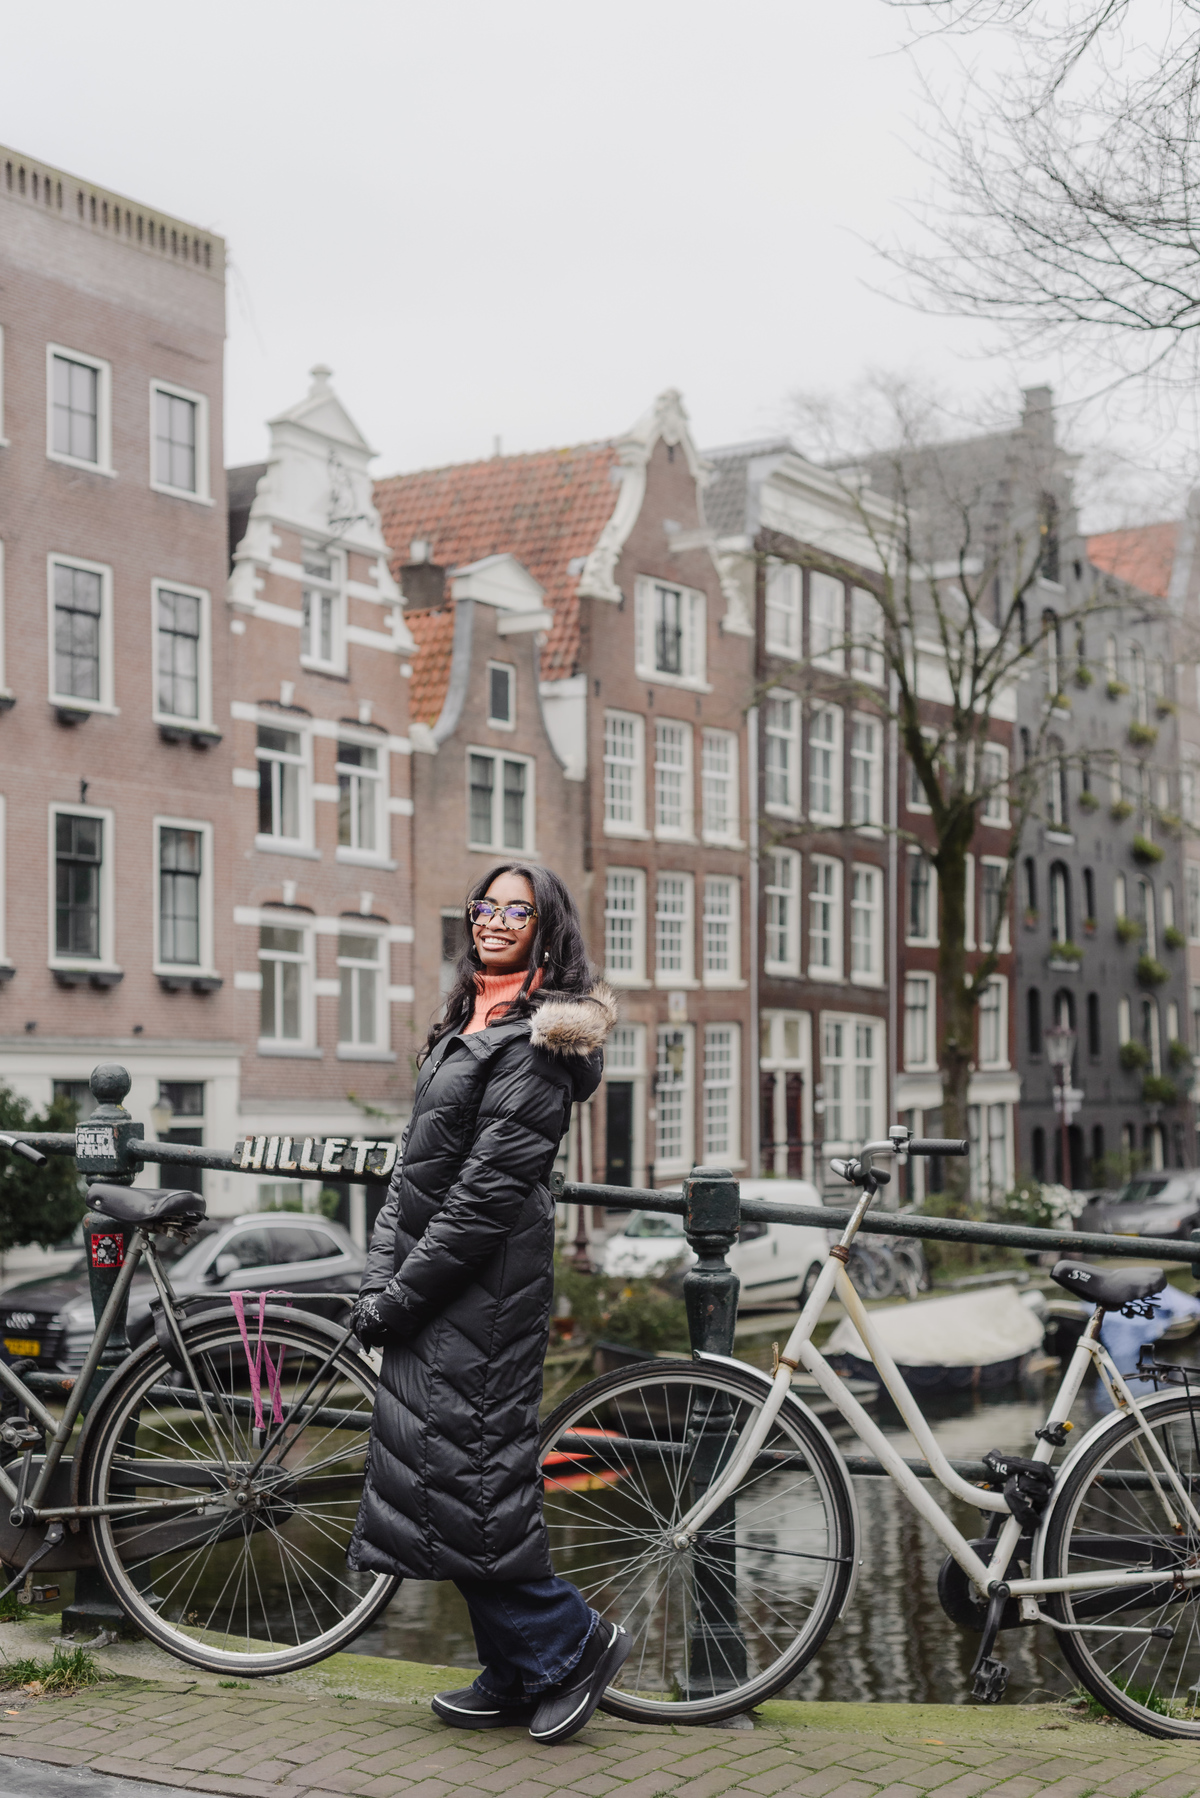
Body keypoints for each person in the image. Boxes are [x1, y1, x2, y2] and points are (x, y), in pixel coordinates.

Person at [348, 862, 628, 1745]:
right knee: (443, 1476)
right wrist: (379, 1274)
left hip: (486, 1292)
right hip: (436, 1287)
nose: (497, 920)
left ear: (548, 928)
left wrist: (402, 1292)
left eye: (519, 909)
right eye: (486, 905)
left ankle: (571, 1644)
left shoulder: (541, 1042)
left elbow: (484, 1194)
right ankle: (516, 1670)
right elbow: (414, 1170)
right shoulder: (465, 1017)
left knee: (466, 1476)